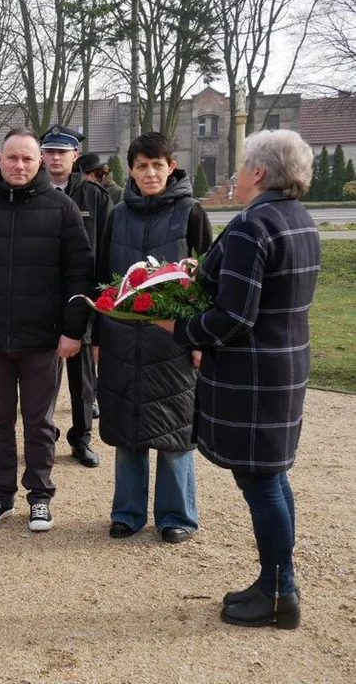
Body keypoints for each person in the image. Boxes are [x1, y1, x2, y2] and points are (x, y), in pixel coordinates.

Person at [158, 129, 319, 629]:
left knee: (262, 481)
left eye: (242, 165)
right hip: (285, 365)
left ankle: (278, 593)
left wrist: (180, 326)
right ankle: (277, 580)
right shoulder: (298, 218)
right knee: (273, 475)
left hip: (252, 373)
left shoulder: (253, 224)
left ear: (258, 172)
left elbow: (234, 317)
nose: (236, 175)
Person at [0, 128, 93, 532]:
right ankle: (0, 496)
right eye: (12, 158)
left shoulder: (61, 208)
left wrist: (73, 330)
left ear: (39, 161)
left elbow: (79, 276)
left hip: (42, 338)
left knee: (39, 422)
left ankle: (40, 496)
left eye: (27, 158)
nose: (19, 165)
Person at [94, 132, 212, 544]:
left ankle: (176, 514)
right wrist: (98, 334)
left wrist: (200, 337)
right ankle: (127, 511)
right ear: (130, 169)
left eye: (157, 165)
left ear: (170, 166)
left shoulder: (191, 212)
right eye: (142, 165)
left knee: (176, 426)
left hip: (174, 339)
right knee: (127, 424)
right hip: (123, 336)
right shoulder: (117, 214)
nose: (149, 172)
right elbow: (102, 275)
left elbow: (206, 279)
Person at [40, 125, 113, 468]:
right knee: (42, 378)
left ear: (75, 157)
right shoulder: (31, 193)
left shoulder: (96, 198)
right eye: (50, 151)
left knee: (83, 380)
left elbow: (104, 253)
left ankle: (81, 438)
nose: (55, 158)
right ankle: (44, 435)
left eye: (62, 152)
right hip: (42, 300)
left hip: (83, 299)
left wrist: (100, 306)